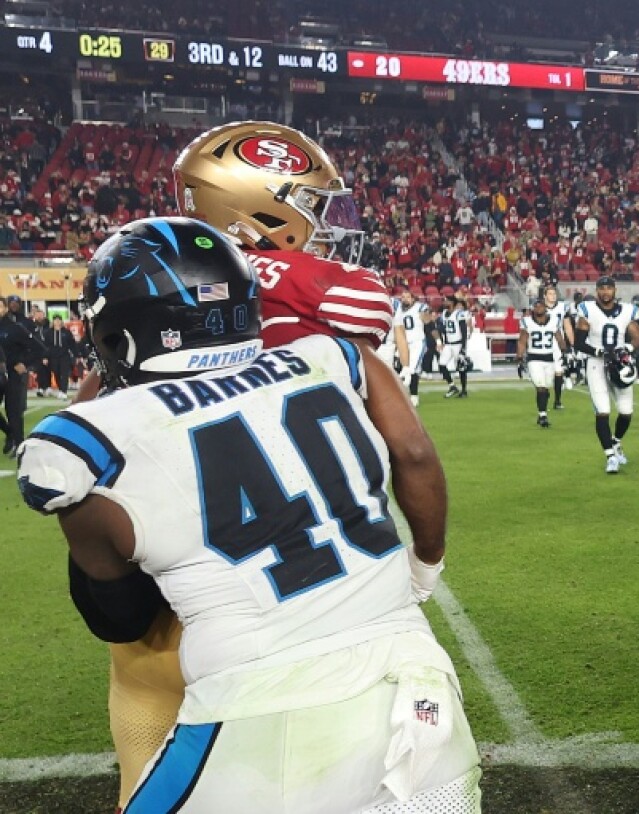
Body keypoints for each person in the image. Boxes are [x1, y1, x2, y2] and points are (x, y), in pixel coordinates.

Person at [18, 218, 481, 813]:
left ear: (117, 334)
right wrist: (425, 568)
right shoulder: (335, 356)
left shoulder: (83, 444)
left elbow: (119, 617)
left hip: (255, 715)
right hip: (417, 692)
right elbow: (415, 455)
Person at [66, 120, 398, 810]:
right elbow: (386, 387)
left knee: (150, 747)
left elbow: (93, 408)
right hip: (291, 604)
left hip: (159, 595)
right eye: (311, 205)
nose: (327, 224)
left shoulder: (138, 270)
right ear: (261, 211)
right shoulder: (331, 293)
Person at [574, 275, 639, 474]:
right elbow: (579, 342)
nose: (605, 292)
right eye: (602, 289)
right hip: (596, 363)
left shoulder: (628, 311)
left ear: (615, 290)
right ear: (597, 291)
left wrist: (626, 349)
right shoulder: (588, 310)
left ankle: (616, 441)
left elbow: (637, 338)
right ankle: (610, 457)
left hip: (620, 362)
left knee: (626, 412)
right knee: (602, 411)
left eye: (609, 288)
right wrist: (598, 352)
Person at [0, 295, 45, 456]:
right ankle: (9, 433)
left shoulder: (15, 328)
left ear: (5, 309)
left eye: (0, 307)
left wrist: (25, 364)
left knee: (13, 412)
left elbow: (39, 349)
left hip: (13, 375)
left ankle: (20, 446)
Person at [516, 297, 566, 428]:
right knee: (541, 387)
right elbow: (522, 340)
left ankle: (542, 411)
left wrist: (565, 352)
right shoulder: (527, 322)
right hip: (534, 358)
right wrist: (519, 358)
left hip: (549, 357)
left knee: (546, 388)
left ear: (545, 307)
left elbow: (559, 337)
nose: (539, 308)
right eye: (536, 306)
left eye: (541, 306)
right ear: (533, 308)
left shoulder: (554, 320)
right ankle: (543, 415)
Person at [393, 290, 433, 408]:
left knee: (412, 370)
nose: (404, 299)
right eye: (403, 297)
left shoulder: (419, 307)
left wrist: (426, 315)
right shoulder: (399, 310)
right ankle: (402, 394)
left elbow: (427, 320)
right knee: (397, 366)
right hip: (404, 343)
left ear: (413, 299)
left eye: (407, 297)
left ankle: (414, 396)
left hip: (417, 342)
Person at [39, 313, 81, 400]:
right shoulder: (48, 333)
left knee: (64, 374)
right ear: (53, 321)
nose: (57, 322)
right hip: (53, 356)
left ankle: (64, 391)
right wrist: (45, 357)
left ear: (61, 321)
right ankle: (60, 389)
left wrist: (77, 355)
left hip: (64, 356)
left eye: (59, 320)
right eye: (55, 320)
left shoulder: (66, 332)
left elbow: (72, 344)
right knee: (56, 373)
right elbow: (45, 346)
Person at [437, 294, 472, 398]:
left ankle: (464, 390)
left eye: (447, 301)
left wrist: (463, 347)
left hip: (458, 344)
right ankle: (452, 386)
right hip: (448, 344)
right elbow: (442, 329)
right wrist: (441, 341)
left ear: (452, 303)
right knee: (441, 364)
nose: (445, 302)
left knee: (461, 367)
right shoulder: (444, 313)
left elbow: (464, 331)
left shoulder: (459, 314)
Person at [542, 284, 569, 410]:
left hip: (558, 343)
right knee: (546, 374)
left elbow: (567, 327)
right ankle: (544, 400)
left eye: (554, 294)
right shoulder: (539, 308)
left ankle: (557, 400)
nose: (553, 296)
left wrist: (571, 345)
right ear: (545, 296)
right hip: (543, 343)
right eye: (550, 294)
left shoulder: (563, 307)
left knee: (559, 372)